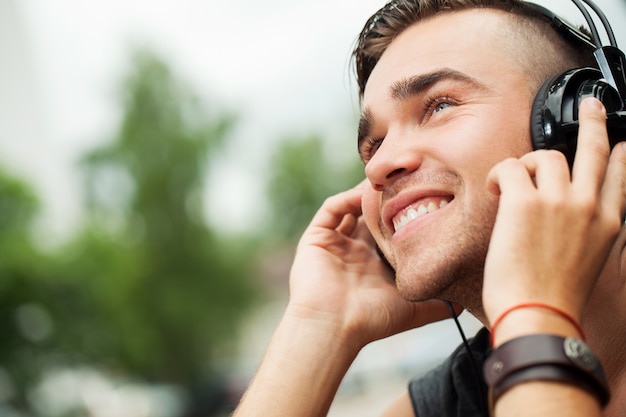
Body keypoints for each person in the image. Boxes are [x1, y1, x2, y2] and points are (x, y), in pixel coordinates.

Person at [232, 1, 626, 416]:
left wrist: (536, 315)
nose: (378, 166)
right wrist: (320, 325)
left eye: (439, 106)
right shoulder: (453, 398)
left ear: (575, 123)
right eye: (374, 145)